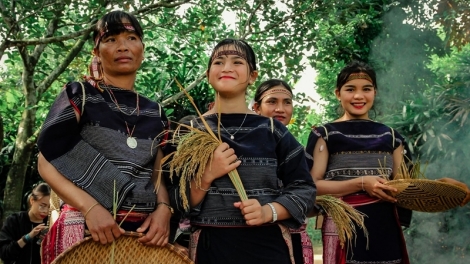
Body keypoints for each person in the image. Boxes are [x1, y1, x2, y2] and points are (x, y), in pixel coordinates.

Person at [37, 10, 172, 263]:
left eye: (131, 38)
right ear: (96, 52)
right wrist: (91, 209)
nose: (122, 46)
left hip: (139, 237)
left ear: (142, 47)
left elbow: (157, 174)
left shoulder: (156, 112)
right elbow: (46, 160)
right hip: (85, 230)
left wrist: (164, 209)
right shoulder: (80, 95)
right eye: (110, 39)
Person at [165, 38, 316, 264]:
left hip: (267, 248)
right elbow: (172, 199)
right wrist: (207, 175)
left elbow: (305, 189)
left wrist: (269, 211)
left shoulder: (273, 131)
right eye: (218, 62)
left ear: (252, 76)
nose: (227, 68)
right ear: (208, 75)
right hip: (210, 248)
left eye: (237, 62)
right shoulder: (188, 132)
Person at [305, 60, 470, 264]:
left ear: (375, 92)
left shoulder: (391, 137)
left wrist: (440, 187)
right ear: (338, 93)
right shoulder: (325, 134)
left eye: (367, 89)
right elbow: (312, 186)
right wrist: (361, 183)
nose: (359, 96)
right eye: (350, 89)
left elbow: (402, 188)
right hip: (344, 227)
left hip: (384, 226)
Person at [253, 79, 314, 264]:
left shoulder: (299, 151)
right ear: (256, 107)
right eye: (272, 101)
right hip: (256, 238)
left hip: (295, 238)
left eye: (287, 102)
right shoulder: (248, 149)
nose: (281, 109)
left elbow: (307, 192)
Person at [0, 182, 51, 264]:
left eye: (49, 207)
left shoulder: (51, 223)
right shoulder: (14, 220)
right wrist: (28, 237)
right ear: (32, 200)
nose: (45, 211)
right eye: (42, 205)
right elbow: (4, 253)